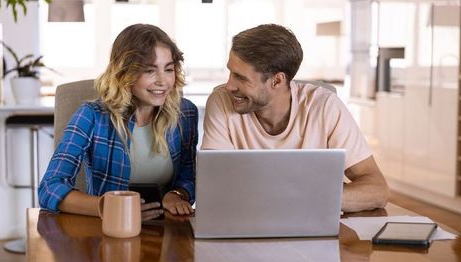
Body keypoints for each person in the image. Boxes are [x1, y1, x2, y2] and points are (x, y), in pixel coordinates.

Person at [201, 24, 388, 212]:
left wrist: (306, 201)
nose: (228, 86)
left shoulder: (324, 107)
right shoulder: (222, 103)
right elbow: (214, 186)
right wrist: (297, 198)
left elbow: (377, 190)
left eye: (240, 78)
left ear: (277, 80)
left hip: (312, 228)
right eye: (230, 72)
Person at [39, 24, 197, 218]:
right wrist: (106, 206)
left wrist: (177, 194)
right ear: (125, 72)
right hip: (109, 230)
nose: (163, 81)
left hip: (168, 230)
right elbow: (50, 187)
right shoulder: (91, 116)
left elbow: (188, 176)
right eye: (149, 70)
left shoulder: (185, 113)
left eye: (169, 69)